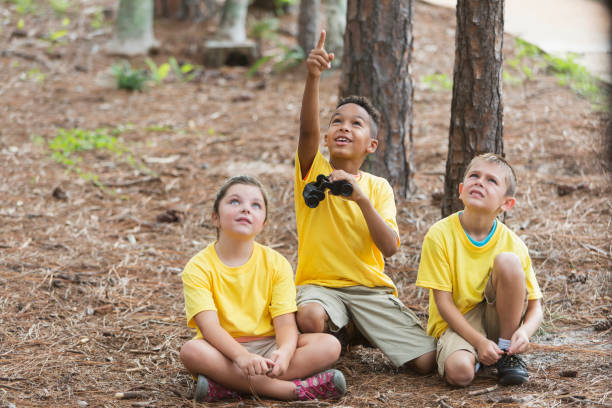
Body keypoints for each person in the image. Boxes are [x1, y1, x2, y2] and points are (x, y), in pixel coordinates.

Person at [294, 30, 437, 374]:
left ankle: (357, 327)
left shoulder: (379, 187)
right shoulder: (314, 171)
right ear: (327, 137)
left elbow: (389, 248)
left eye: (356, 124)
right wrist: (313, 79)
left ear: (371, 145)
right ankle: (338, 330)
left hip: (368, 290)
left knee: (426, 362)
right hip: (320, 287)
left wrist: (361, 200)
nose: (344, 127)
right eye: (337, 122)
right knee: (310, 317)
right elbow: (306, 131)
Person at [179, 176, 346, 402]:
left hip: (269, 347)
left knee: (329, 345)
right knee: (191, 351)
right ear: (215, 218)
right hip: (224, 352)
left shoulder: (276, 263)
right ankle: (291, 391)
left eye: (255, 205)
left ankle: (228, 387)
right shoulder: (198, 267)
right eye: (235, 202)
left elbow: (285, 323)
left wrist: (285, 353)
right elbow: (210, 328)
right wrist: (241, 357)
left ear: (263, 223)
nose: (246, 209)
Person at [416, 153, 544, 386]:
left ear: (506, 204)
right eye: (474, 176)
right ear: (462, 189)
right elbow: (443, 304)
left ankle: (506, 354)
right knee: (460, 374)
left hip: (500, 322)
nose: (480, 182)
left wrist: (524, 333)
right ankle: (478, 355)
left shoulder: (514, 243)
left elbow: (536, 306)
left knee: (508, 262)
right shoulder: (440, 235)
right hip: (458, 324)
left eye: (491, 180)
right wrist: (478, 341)